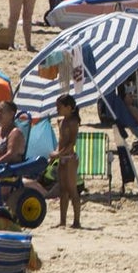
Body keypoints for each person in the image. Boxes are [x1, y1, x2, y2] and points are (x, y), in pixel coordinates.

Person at [51, 93, 81, 229]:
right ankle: (62, 220)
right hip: (62, 157)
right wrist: (56, 153)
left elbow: (71, 143)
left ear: (68, 108)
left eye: (59, 107)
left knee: (72, 190)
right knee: (63, 190)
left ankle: (76, 221)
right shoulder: (61, 122)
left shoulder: (73, 122)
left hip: (70, 158)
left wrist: (59, 154)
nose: (57, 110)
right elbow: (61, 141)